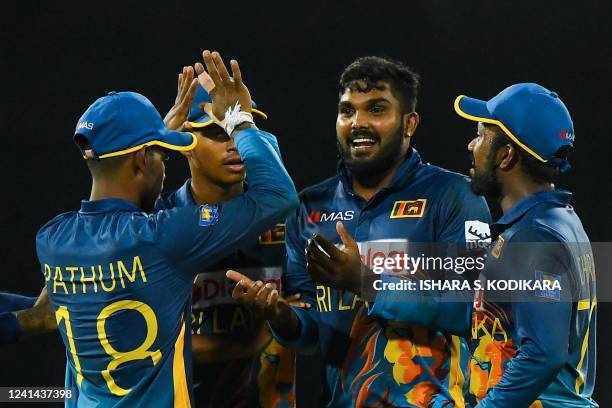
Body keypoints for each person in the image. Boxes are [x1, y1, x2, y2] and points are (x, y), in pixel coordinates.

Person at [36, 51, 298, 407]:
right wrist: (239, 118)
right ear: (143, 159)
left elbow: (112, 219)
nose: (232, 144)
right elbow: (278, 194)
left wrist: (152, 142)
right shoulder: (167, 233)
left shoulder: (52, 238)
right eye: (159, 154)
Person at [228, 56, 491, 407]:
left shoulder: (457, 197)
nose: (358, 123)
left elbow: (476, 312)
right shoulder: (310, 207)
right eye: (347, 111)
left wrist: (366, 281)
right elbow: (309, 334)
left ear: (409, 123)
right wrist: (281, 317)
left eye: (376, 110)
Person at [358, 83, 597, 407]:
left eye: (482, 135)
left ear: (505, 154)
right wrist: (368, 280)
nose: (472, 145)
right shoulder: (554, 223)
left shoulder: (534, 238)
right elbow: (466, 311)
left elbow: (545, 354)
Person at [159, 64, 303, 408]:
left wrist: (287, 321)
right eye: (217, 133)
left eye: (238, 129)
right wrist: (250, 341)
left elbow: (307, 321)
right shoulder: (158, 223)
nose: (233, 144)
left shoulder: (290, 221)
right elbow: (145, 345)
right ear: (184, 143)